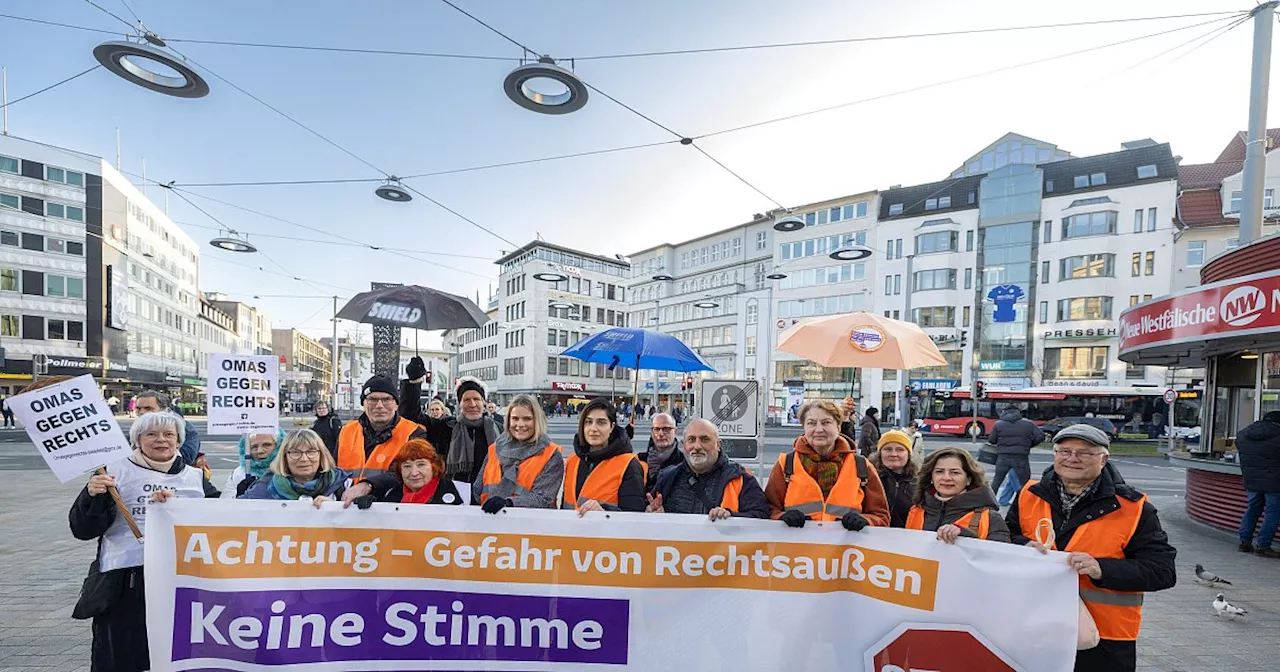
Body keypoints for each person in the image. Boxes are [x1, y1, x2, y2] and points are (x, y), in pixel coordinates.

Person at [1006, 424, 1177, 672]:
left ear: (1104, 459)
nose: (1072, 459)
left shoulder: (1135, 507)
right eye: (1064, 451)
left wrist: (1101, 569)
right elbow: (1004, 540)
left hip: (1104, 639)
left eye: (1084, 453)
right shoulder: (1029, 495)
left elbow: (1162, 571)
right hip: (1034, 628)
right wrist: (1023, 546)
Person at [70, 410, 219, 672]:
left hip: (180, 582)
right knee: (122, 658)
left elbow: (221, 523)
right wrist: (93, 497)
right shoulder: (112, 473)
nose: (161, 440)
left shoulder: (195, 478)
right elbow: (82, 529)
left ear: (179, 441)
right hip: (124, 584)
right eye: (151, 434)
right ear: (137, 440)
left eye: (169, 434)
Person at [765, 399, 891, 528]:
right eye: (811, 423)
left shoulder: (862, 466)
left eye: (826, 423)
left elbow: (881, 516)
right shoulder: (786, 465)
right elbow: (768, 510)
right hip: (798, 547)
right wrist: (781, 517)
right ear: (804, 427)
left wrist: (865, 520)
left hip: (846, 547)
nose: (819, 429)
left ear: (838, 426)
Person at [400, 360, 500, 485]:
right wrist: (414, 382)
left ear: (484, 403)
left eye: (477, 399)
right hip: (452, 494)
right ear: (459, 404)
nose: (472, 404)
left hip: (490, 492)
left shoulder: (499, 429)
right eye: (466, 400)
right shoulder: (446, 426)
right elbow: (411, 415)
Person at [647, 419, 768, 519]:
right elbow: (647, 514)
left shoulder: (741, 479)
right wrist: (651, 514)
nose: (697, 446)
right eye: (691, 440)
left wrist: (731, 517)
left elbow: (762, 517)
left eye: (705, 439)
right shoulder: (667, 478)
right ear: (684, 446)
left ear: (718, 445)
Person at [337, 375, 429, 491]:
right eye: (372, 400)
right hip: (345, 504)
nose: (379, 406)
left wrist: (368, 486)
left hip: (392, 505)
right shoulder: (347, 431)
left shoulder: (413, 433)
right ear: (363, 404)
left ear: (396, 405)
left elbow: (408, 473)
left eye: (386, 399)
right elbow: (332, 471)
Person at [476, 395, 565, 512]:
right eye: (515, 418)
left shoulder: (551, 455)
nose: (520, 424)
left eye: (527, 419)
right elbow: (477, 489)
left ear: (537, 421)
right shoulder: (495, 449)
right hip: (488, 523)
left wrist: (508, 504)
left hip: (530, 526)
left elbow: (543, 498)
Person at [906, 447, 1010, 542]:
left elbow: (999, 558)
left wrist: (965, 536)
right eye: (939, 471)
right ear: (931, 478)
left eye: (955, 472)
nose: (946, 478)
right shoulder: (916, 511)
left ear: (969, 479)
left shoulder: (990, 518)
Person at [564, 397, 645, 513]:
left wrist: (605, 512)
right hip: (569, 530)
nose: (593, 429)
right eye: (588, 422)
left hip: (606, 530)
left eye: (601, 422)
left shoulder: (628, 465)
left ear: (611, 427)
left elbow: (634, 515)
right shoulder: (573, 460)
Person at [243, 429, 366, 504]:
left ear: (321, 455)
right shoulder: (264, 488)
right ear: (284, 457)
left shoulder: (344, 486)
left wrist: (336, 509)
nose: (304, 459)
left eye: (311, 452)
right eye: (295, 453)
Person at [1234, 410, 1280, 558]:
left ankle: (1244, 542)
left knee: (1252, 510)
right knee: (1272, 513)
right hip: (1275, 482)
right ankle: (1263, 545)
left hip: (1252, 480)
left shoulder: (1244, 434)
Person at [367, 438, 464, 505]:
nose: (414, 473)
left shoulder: (461, 493)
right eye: (407, 466)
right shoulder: (391, 495)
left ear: (434, 466)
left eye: (421, 464)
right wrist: (372, 510)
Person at [986, 405, 1045, 502]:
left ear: (1004, 412)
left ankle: (989, 503)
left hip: (1003, 457)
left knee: (997, 481)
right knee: (1025, 483)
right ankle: (1026, 503)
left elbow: (992, 440)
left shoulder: (998, 424)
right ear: (1018, 412)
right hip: (1021, 457)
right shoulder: (1028, 424)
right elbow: (1040, 436)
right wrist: (1029, 444)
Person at [134, 390, 200, 466]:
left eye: (148, 408)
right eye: (138, 409)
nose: (141, 412)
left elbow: (186, 458)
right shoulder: (137, 428)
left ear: (165, 409)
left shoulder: (185, 428)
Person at [870, 430, 919, 528]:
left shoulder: (919, 482)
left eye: (900, 450)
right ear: (880, 453)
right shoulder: (869, 479)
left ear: (908, 454)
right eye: (888, 449)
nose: (893, 454)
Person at [223, 428, 285, 497]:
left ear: (280, 445)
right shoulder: (239, 473)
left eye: (267, 445)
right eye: (254, 447)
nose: (260, 451)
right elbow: (225, 502)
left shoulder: (288, 470)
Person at [637, 412, 683, 490]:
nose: (660, 434)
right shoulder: (638, 460)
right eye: (656, 429)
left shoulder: (683, 463)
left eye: (666, 429)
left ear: (675, 432)